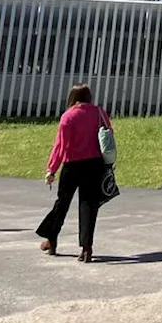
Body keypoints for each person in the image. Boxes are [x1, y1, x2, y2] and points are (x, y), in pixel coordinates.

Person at [36, 83, 112, 263]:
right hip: (95, 164)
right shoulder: (100, 113)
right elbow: (108, 136)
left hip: (72, 165)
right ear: (89, 97)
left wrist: (51, 169)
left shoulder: (68, 117)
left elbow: (60, 146)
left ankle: (52, 239)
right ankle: (87, 248)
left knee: (62, 203)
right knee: (88, 205)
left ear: (72, 97)